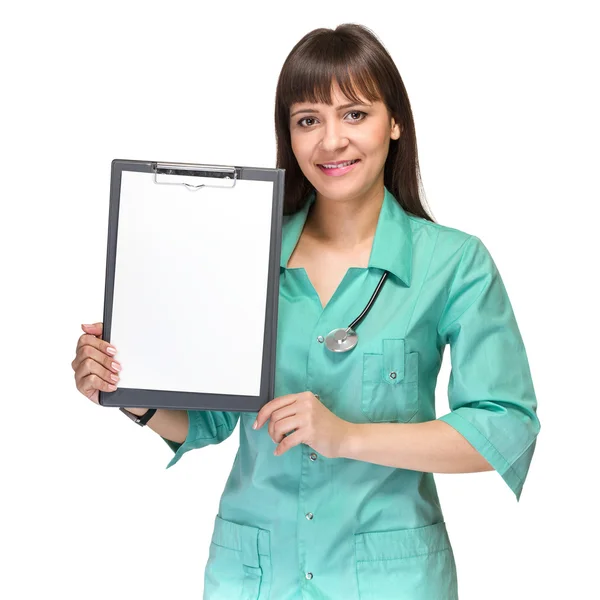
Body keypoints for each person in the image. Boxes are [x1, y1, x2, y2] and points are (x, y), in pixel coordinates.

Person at [72, 23, 541, 600]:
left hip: (391, 580)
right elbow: (212, 419)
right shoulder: (244, 251)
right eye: (308, 119)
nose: (331, 141)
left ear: (394, 123)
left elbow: (502, 426)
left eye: (354, 114)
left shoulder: (454, 262)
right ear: (289, 137)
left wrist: (347, 437)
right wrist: (130, 392)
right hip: (254, 577)